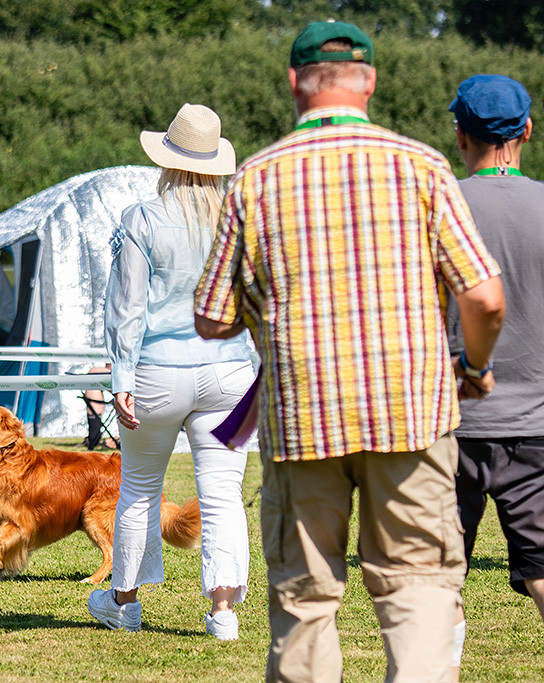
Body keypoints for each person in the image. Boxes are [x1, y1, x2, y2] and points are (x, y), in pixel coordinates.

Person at [193, 22, 506, 681]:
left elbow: (212, 315)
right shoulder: (421, 166)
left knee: (306, 601)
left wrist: (261, 303)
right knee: (418, 588)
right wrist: (472, 368)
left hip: (304, 417)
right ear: (369, 81)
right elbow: (484, 298)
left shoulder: (255, 178)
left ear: (292, 82)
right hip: (412, 414)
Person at [86, 104, 255, 637]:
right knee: (223, 493)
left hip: (157, 371)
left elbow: (126, 309)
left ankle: (124, 603)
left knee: (137, 489)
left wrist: (120, 379)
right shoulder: (241, 218)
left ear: (168, 159)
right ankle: (223, 612)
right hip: (230, 371)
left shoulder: (142, 218)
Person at [445, 74, 544, 673]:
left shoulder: (439, 206)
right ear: (526, 131)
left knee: (437, 569)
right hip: (536, 422)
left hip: (448, 419)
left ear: (460, 134)